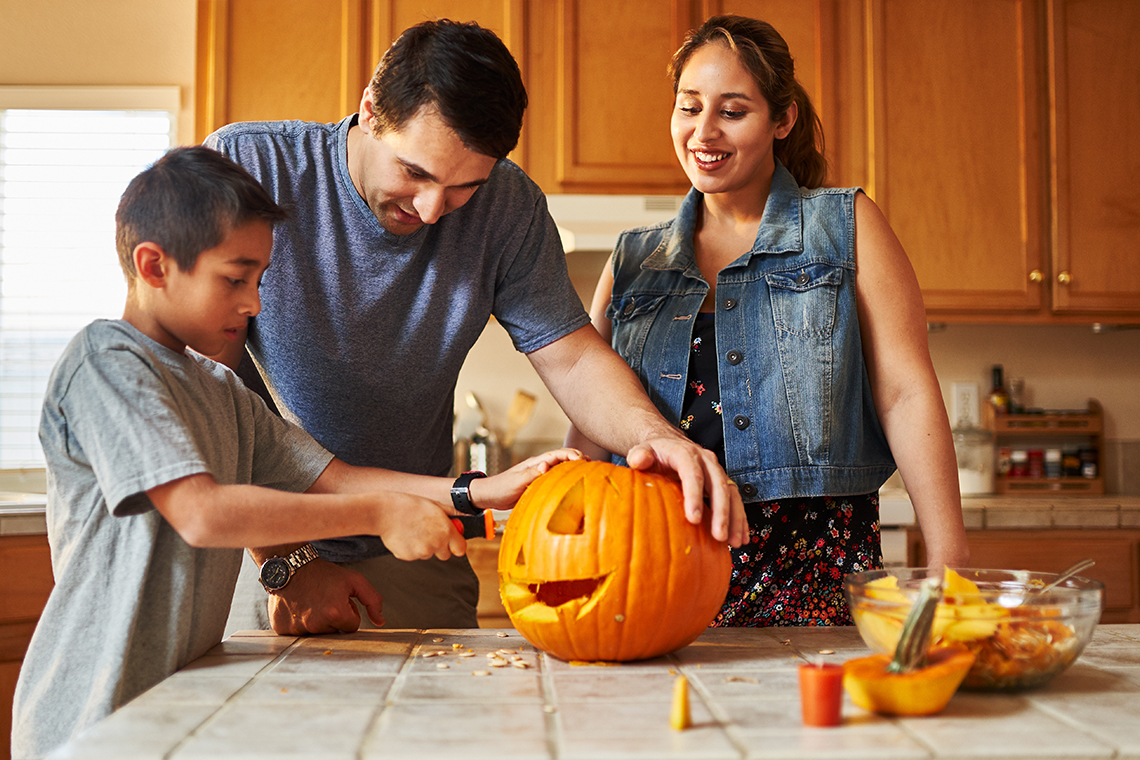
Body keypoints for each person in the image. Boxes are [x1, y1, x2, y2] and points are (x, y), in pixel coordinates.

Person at [9, 146, 580, 759]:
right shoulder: (107, 363)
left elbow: (334, 479)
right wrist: (380, 515)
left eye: (260, 280)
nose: (253, 303)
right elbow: (204, 515)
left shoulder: (221, 391)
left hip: (172, 711)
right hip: (92, 717)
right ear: (154, 266)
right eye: (234, 279)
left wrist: (476, 491)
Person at [204, 18, 748, 634]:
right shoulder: (248, 168)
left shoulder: (508, 208)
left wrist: (660, 436)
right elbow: (207, 390)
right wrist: (287, 563)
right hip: (268, 543)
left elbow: (572, 358)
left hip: (422, 539)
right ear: (369, 110)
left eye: (465, 186)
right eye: (415, 173)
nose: (432, 210)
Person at [566, 15, 970, 626]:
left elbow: (906, 393)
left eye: (732, 111)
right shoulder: (632, 260)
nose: (703, 131)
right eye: (689, 107)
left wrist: (948, 558)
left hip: (816, 579)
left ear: (782, 121)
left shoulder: (846, 226)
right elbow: (591, 420)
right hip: (651, 579)